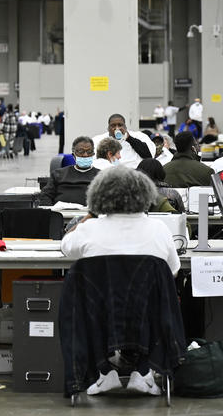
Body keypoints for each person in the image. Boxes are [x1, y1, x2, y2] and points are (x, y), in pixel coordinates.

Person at [60, 166, 181, 395]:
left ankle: (104, 371)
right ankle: (144, 371)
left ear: (98, 195)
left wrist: (89, 216)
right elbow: (172, 271)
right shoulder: (159, 228)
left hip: (100, 313)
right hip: (146, 314)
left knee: (88, 311)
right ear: (145, 194)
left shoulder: (89, 229)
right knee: (159, 303)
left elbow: (66, 247)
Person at [39, 137, 100, 206]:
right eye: (81, 151)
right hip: (61, 214)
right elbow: (45, 195)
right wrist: (51, 212)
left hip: (90, 214)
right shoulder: (58, 174)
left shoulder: (100, 176)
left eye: (89, 152)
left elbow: (107, 198)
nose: (85, 155)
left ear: (93, 154)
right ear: (74, 155)